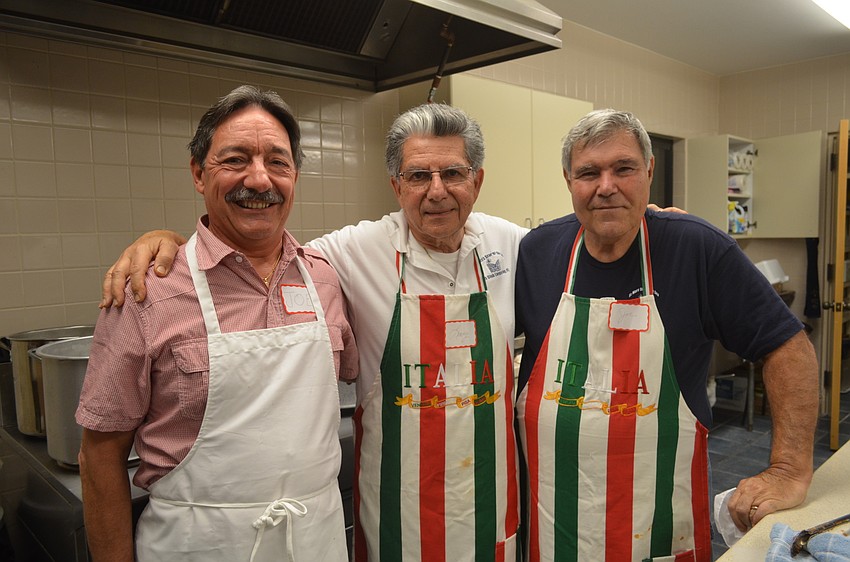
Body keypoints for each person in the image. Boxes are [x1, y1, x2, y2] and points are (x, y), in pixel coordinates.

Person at [99, 102, 527, 562]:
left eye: (453, 173)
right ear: (396, 186)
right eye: (419, 176)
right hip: (396, 510)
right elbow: (250, 240)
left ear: (477, 181)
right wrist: (163, 238)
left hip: (488, 497)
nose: (436, 191)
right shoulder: (348, 252)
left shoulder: (517, 245)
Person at [514, 108, 819, 561]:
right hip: (552, 518)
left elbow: (787, 345)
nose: (606, 186)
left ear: (649, 172)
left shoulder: (695, 247)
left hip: (656, 521)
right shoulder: (537, 251)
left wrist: (789, 468)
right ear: (568, 179)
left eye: (624, 168)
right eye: (588, 172)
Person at [76, 85, 358, 562]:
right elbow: (100, 455)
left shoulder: (325, 276)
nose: (259, 179)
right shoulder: (149, 289)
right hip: (197, 545)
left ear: (295, 175)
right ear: (197, 173)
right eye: (235, 160)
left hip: (316, 541)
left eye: (278, 161)